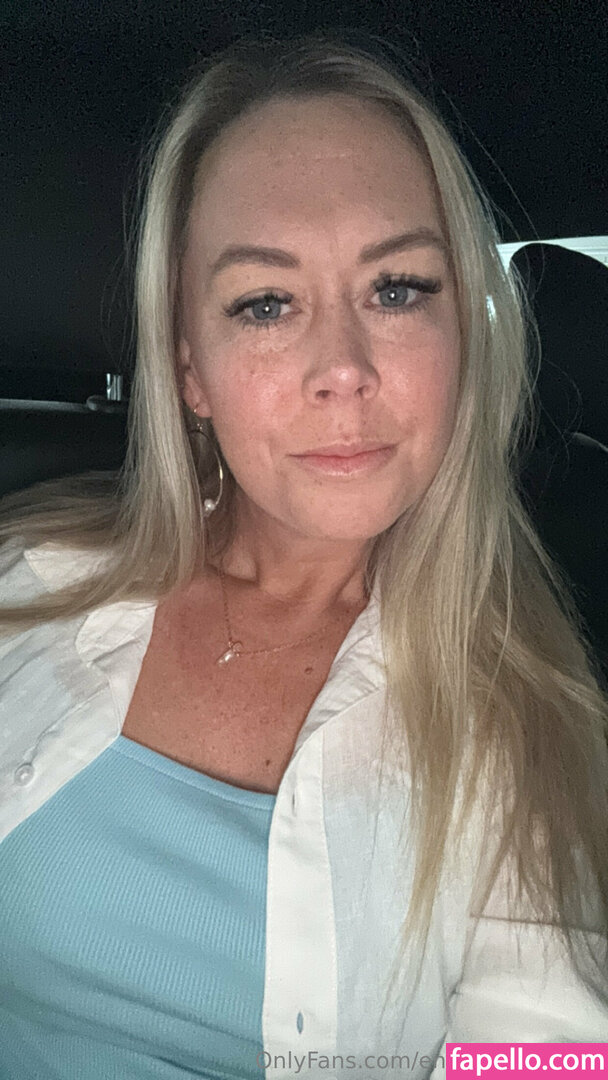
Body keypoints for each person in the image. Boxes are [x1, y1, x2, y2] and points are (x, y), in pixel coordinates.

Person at [0, 28, 607, 1080]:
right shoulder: (27, 583)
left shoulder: (537, 740)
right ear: (189, 369)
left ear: (467, 336)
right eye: (265, 304)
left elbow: (549, 1055)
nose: (343, 369)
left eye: (397, 288)